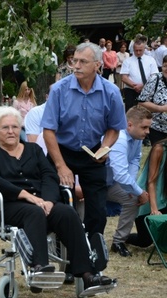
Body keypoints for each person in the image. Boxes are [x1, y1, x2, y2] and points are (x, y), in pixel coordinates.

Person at [0, 106, 115, 290]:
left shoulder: (34, 150)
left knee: (67, 212)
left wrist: (49, 200)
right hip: (9, 205)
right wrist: (25, 195)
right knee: (34, 212)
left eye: (15, 127)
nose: (11, 131)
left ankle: (87, 274)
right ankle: (39, 268)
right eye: (5, 128)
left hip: (43, 202)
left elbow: (49, 176)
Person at [42, 42, 127, 238]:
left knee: (98, 211)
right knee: (60, 206)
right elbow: (48, 131)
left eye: (82, 62)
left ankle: (93, 255)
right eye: (74, 61)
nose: (76, 66)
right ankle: (63, 251)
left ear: (97, 65)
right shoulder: (59, 90)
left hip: (93, 152)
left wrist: (105, 148)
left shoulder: (111, 92)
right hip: (61, 152)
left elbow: (115, 127)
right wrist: (61, 166)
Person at [106, 105, 152, 257]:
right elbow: (120, 174)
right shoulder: (119, 139)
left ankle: (118, 241)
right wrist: (139, 192)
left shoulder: (137, 137)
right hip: (92, 184)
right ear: (129, 125)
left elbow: (134, 161)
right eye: (144, 127)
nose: (148, 132)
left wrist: (132, 189)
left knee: (131, 199)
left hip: (109, 183)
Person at [121, 37, 157, 111]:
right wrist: (135, 86)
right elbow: (124, 77)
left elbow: (154, 76)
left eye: (140, 50)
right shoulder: (127, 61)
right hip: (131, 90)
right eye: (136, 50)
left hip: (147, 89)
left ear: (144, 49)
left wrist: (143, 85)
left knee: (146, 111)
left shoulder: (151, 60)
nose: (138, 52)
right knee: (130, 111)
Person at [137, 55, 167, 144]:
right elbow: (141, 102)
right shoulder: (155, 79)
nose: (166, 69)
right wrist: (161, 109)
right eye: (165, 66)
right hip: (157, 128)